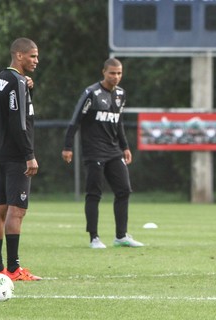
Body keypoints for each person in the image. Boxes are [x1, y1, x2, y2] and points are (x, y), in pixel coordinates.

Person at [62, 58, 144, 249]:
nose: (116, 77)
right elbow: (75, 120)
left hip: (114, 151)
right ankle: (94, 238)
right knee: (94, 193)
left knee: (124, 189)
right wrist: (67, 147)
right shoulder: (91, 93)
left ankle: (121, 236)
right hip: (94, 151)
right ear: (103, 72)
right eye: (112, 73)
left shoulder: (121, 94)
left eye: (119, 73)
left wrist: (125, 147)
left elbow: (119, 122)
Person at [0, 37, 42, 281]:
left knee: (0, 209)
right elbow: (19, 121)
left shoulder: (0, 78)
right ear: (19, 55)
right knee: (16, 211)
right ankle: (13, 269)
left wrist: (28, 87)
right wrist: (29, 155)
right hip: (16, 155)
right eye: (32, 56)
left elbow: (13, 109)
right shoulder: (17, 81)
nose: (36, 61)